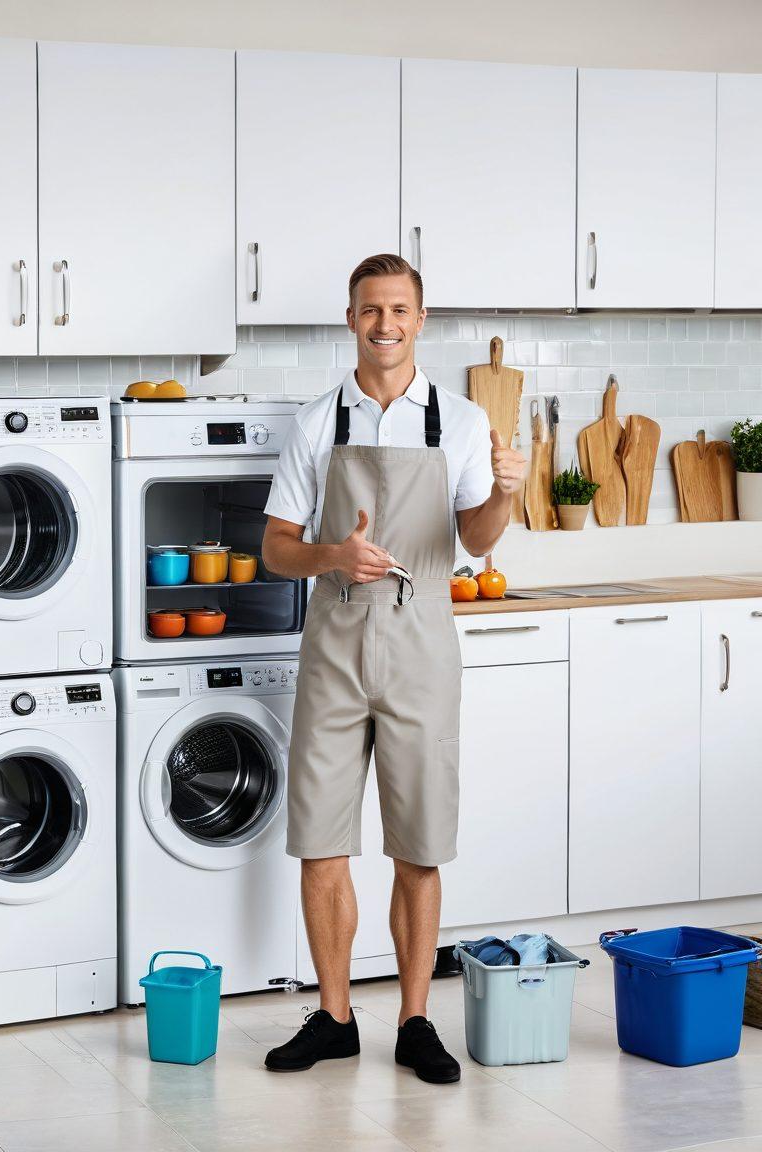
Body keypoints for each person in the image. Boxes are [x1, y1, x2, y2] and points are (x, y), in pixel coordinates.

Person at [260, 254, 526, 1084]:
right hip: (334, 648)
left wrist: (510, 494)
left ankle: (414, 1021)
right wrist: (332, 553)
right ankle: (335, 1017)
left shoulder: (461, 421)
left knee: (419, 843)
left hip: (420, 647)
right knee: (321, 842)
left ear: (421, 319)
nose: (385, 324)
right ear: (351, 319)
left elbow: (478, 541)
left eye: (400, 309)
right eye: (371, 309)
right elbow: (273, 549)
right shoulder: (315, 423)